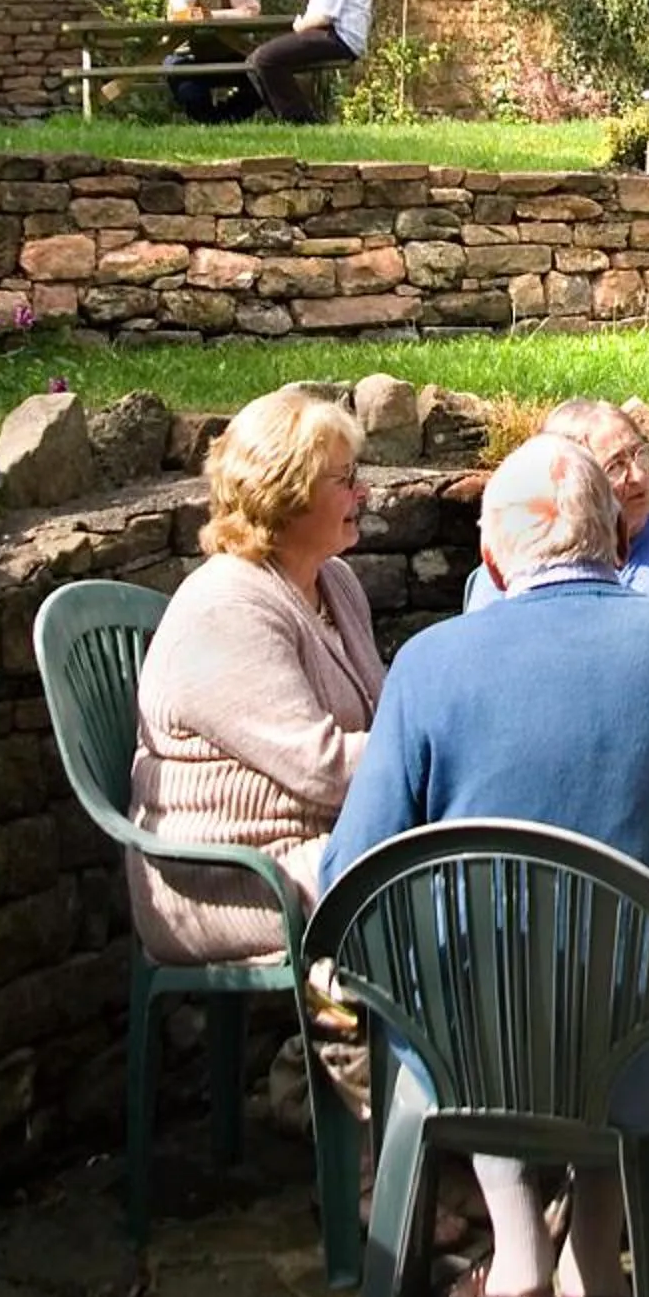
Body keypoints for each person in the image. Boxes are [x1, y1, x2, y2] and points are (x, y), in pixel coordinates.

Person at [323, 438, 649, 1297]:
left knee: (485, 967)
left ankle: (521, 1270)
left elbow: (349, 874)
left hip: (469, 1055)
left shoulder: (430, 664)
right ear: (616, 542)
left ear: (492, 562)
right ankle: (597, 1271)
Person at [129, 385, 382, 965]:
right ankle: (336, 1049)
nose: (362, 492)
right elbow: (323, 769)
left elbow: (386, 712)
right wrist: (441, 757)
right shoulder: (226, 608)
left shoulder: (335, 582)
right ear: (286, 495)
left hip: (320, 846)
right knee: (443, 886)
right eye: (343, 481)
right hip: (231, 878)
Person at [460, 396, 649, 712]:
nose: (638, 477)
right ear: (572, 482)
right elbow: (477, 686)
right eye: (615, 466)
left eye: (640, 455)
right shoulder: (511, 564)